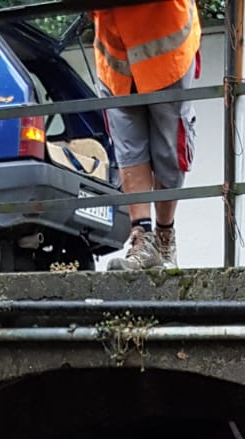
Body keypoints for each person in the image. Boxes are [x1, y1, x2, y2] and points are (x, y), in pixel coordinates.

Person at [93, 0, 201, 270]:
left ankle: (164, 239)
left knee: (168, 152)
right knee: (130, 149)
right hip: (115, 54)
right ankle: (142, 239)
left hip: (165, 47)